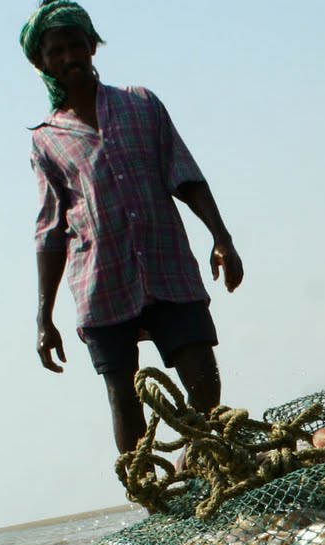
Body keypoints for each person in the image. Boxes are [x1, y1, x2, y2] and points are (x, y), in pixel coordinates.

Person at [21, 0, 243, 454]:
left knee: (203, 379)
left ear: (92, 47)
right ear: (42, 63)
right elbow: (50, 232)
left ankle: (208, 467)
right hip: (101, 284)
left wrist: (222, 237)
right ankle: (152, 502)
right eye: (57, 52)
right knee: (125, 400)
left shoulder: (141, 104)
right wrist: (44, 318)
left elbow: (185, 175)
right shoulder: (46, 139)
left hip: (168, 267)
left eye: (76, 46)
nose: (69, 58)